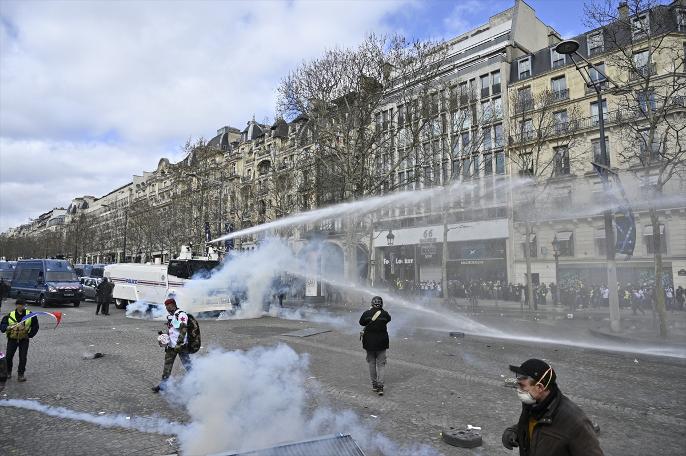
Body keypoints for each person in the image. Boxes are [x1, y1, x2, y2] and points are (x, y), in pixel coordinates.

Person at [501, 358, 603, 456]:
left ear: (540, 387)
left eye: (522, 386)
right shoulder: (532, 405)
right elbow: (536, 427)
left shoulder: (575, 422)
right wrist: (515, 432)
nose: (518, 389)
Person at [152, 298, 192, 393]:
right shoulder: (171, 316)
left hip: (181, 346)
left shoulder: (181, 314)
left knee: (188, 365)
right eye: (165, 306)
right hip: (171, 346)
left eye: (168, 306)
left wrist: (179, 343)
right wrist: (164, 337)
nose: (166, 308)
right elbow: (172, 330)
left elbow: (183, 330)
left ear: (173, 305)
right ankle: (163, 385)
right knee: (167, 366)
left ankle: (198, 382)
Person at [0, 299, 40, 382]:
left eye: (22, 305)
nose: (20, 306)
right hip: (12, 339)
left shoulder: (30, 315)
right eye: (18, 304)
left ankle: (20, 374)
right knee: (9, 356)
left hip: (24, 339)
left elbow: (35, 326)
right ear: (16, 305)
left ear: (24, 305)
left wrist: (29, 335)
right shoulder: (10, 315)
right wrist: (6, 327)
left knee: (23, 357)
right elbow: (3, 325)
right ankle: (8, 372)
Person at [359, 296, 391, 396]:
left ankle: (374, 385)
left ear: (372, 303)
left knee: (371, 364)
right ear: (381, 304)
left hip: (369, 343)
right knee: (381, 365)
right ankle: (380, 387)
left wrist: (369, 312)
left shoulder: (366, 313)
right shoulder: (385, 314)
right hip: (382, 343)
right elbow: (388, 319)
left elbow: (361, 322)